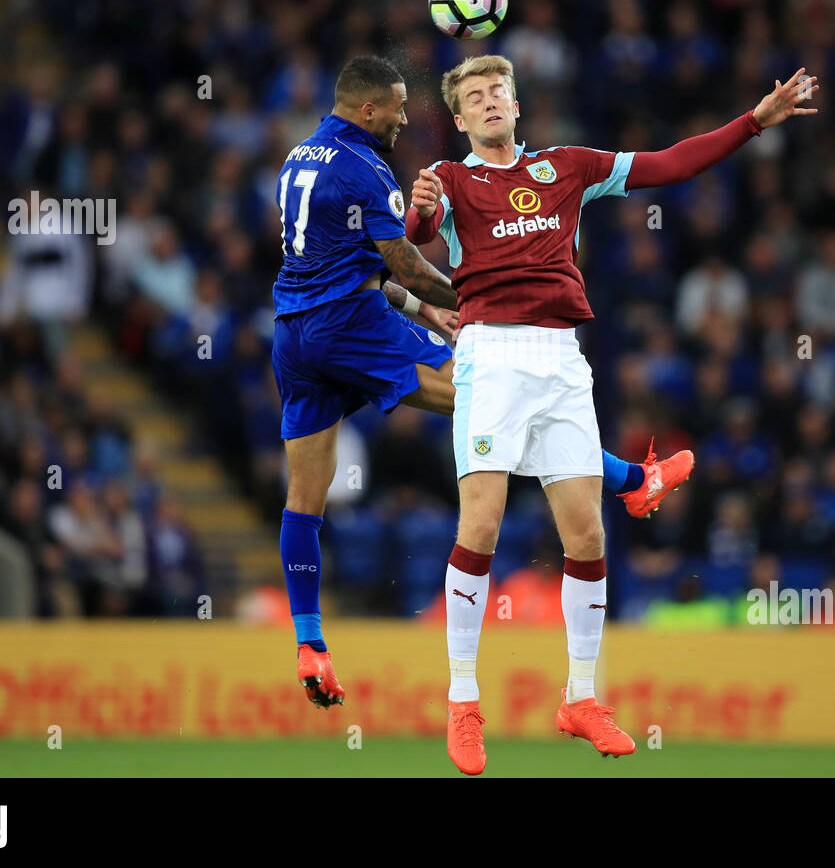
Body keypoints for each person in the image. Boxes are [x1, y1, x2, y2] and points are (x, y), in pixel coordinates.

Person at [408, 54, 818, 774]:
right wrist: (419, 210)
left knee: (588, 533)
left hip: (562, 359)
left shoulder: (567, 166)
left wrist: (753, 122)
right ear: (462, 117)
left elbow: (669, 165)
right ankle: (465, 702)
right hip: (491, 354)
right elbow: (415, 238)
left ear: (515, 102)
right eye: (474, 96)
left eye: (498, 89)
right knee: (480, 522)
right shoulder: (450, 179)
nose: (490, 101)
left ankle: (582, 698)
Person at [271, 56, 694, 711]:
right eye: (396, 107)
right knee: (488, 409)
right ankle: (633, 482)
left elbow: (354, 266)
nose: (406, 117)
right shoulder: (367, 169)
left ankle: (310, 642)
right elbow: (405, 263)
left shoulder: (301, 157)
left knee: (304, 502)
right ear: (367, 111)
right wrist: (466, 303)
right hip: (350, 327)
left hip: (294, 336)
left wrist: (421, 311)